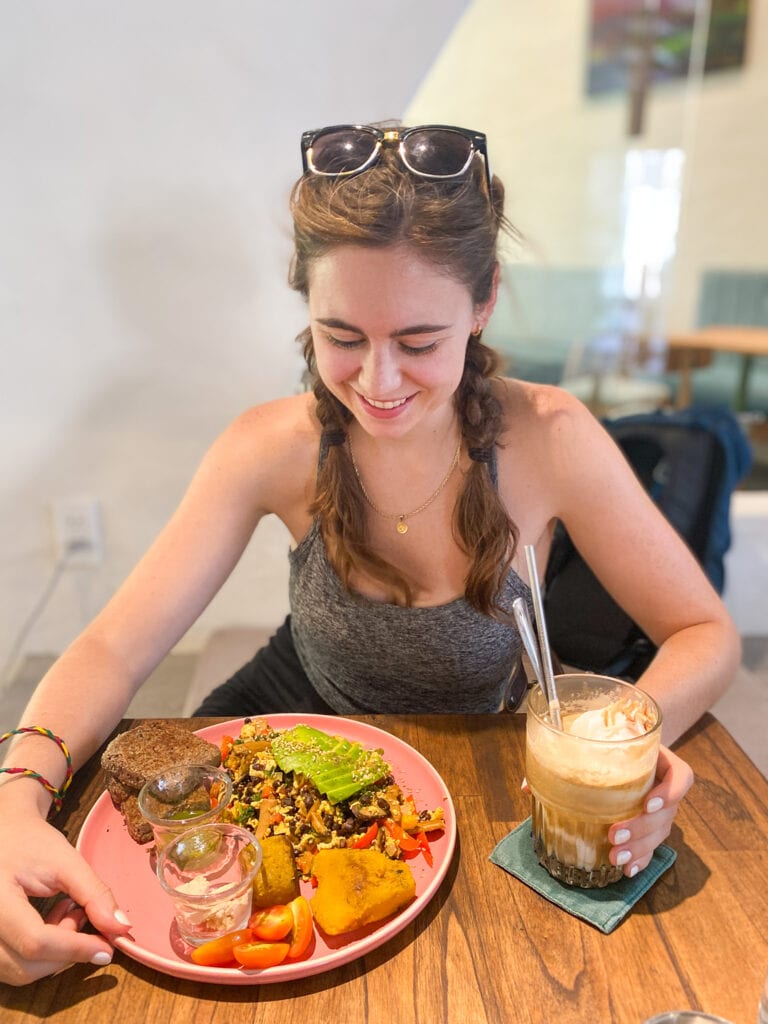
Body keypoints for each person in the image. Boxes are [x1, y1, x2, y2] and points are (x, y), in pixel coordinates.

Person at [0, 123, 740, 985]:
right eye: (341, 336)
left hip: (484, 754)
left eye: (420, 342)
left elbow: (702, 630)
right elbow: (110, 649)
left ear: (485, 300)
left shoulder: (549, 440)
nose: (379, 383)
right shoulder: (270, 446)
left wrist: (631, 761)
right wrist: (17, 799)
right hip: (288, 731)